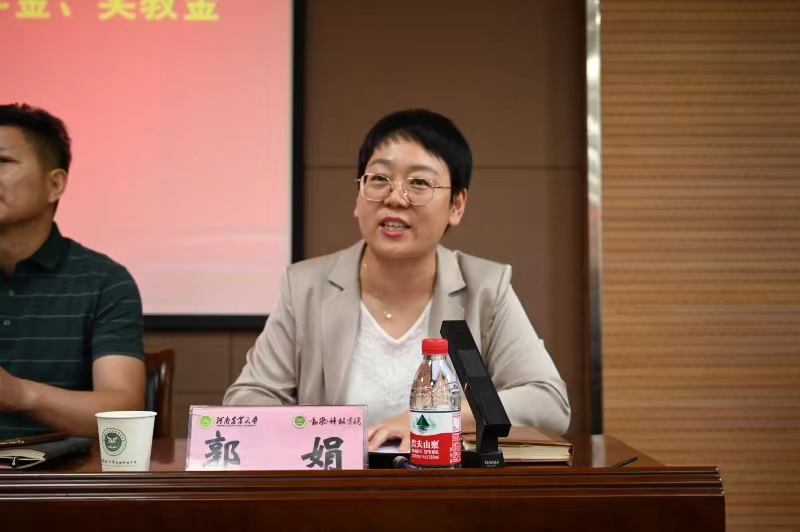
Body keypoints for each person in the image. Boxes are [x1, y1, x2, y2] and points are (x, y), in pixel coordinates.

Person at [224, 109, 570, 450]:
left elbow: (548, 402)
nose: (394, 198)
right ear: (358, 196)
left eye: (419, 183)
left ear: (456, 205)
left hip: (445, 483)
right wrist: (314, 432)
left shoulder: (485, 288)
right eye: (379, 179)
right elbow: (246, 400)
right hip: (336, 481)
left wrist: (437, 416)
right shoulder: (306, 288)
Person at [0, 103, 145, 440]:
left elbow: (124, 414)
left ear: (55, 184)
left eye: (3, 161)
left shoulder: (104, 282)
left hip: (61, 470)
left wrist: (20, 394)